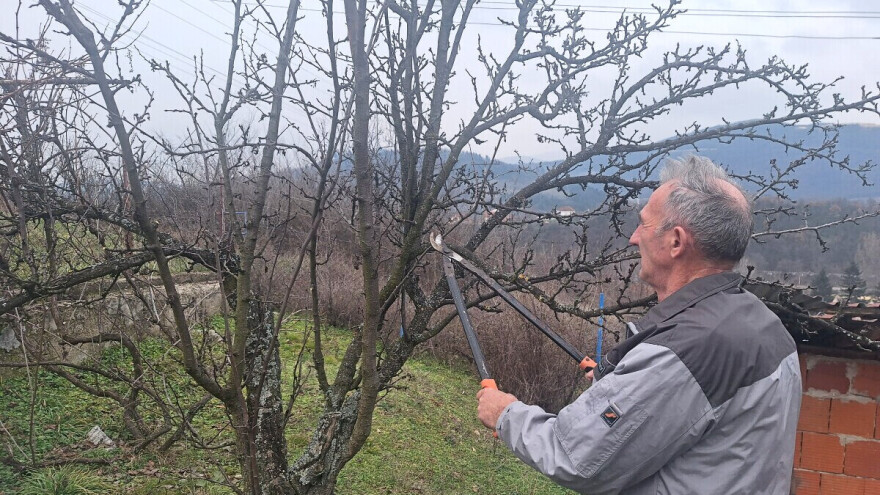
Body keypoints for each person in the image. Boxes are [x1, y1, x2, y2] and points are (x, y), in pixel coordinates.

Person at [477, 156, 802, 495]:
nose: (633, 238)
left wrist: (505, 413)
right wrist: (623, 384)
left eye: (643, 224)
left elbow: (574, 456)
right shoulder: (764, 325)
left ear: (676, 242)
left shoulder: (687, 349)